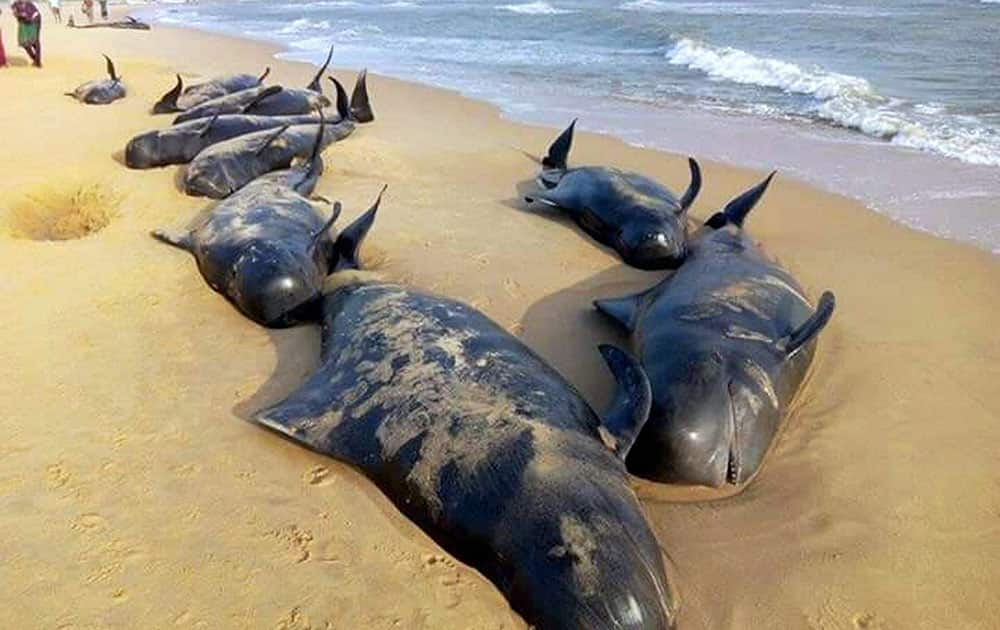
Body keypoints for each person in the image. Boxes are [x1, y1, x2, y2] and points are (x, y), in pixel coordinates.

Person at [11, 0, 42, 68]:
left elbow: (35, 12)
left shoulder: (29, 3)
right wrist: (19, 15)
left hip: (35, 19)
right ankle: (35, 59)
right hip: (24, 22)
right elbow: (15, 13)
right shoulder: (15, 4)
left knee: (35, 41)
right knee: (24, 43)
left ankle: (38, 62)